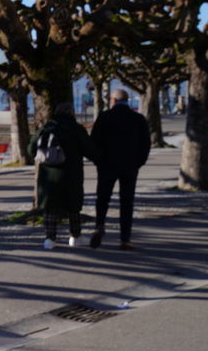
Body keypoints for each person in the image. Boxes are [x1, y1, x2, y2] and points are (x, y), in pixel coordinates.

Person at [27, 102, 99, 250]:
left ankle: (50, 239)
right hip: (71, 172)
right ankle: (75, 236)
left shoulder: (46, 128)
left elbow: (31, 148)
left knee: (50, 206)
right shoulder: (76, 129)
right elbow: (90, 150)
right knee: (73, 206)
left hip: (48, 174)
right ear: (71, 113)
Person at [89, 88, 152, 250]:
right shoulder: (138, 119)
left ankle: (100, 225)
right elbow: (145, 144)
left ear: (113, 101)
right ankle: (125, 238)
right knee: (127, 202)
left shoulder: (104, 117)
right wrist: (138, 162)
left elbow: (93, 142)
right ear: (127, 101)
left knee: (102, 198)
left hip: (107, 165)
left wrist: (98, 161)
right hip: (129, 166)